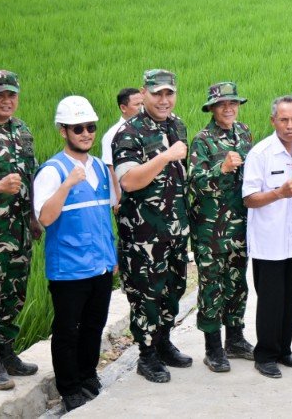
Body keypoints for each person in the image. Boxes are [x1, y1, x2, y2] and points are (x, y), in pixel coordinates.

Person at [33, 96, 117, 411]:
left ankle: (87, 374)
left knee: (95, 325)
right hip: (69, 269)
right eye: (78, 128)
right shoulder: (53, 171)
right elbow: (45, 218)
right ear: (63, 131)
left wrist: (113, 256)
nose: (86, 133)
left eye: (90, 127)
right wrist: (67, 184)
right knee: (68, 331)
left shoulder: (97, 167)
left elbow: (103, 216)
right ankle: (69, 387)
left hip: (101, 265)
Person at [113, 69, 192, 383]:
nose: (163, 99)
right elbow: (130, 181)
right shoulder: (129, 133)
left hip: (175, 229)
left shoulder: (177, 124)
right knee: (147, 295)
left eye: (169, 93)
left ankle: (163, 342)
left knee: (174, 289)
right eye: (157, 93)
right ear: (144, 93)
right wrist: (166, 156)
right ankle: (146, 356)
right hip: (143, 233)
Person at [0, 70, 40, 391]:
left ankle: (6, 351)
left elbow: (30, 179)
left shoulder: (22, 130)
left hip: (19, 231)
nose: (6, 100)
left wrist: (33, 218)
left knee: (14, 294)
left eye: (11, 94)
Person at [241, 96, 292, 379]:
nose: (290, 125)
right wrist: (277, 193)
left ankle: (284, 349)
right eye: (284, 120)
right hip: (268, 241)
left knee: (289, 298)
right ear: (273, 121)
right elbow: (249, 198)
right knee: (270, 300)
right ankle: (265, 355)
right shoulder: (261, 154)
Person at [188, 82, 254, 373]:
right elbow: (194, 183)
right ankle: (213, 347)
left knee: (237, 285)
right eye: (222, 104)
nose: (229, 108)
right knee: (212, 287)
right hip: (211, 229)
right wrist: (221, 169)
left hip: (241, 226)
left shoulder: (245, 132)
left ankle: (235, 338)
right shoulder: (202, 140)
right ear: (212, 108)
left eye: (233, 103)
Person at [101, 88, 143, 213]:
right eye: (137, 105)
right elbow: (110, 167)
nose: (142, 108)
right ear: (123, 108)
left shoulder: (145, 129)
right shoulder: (113, 134)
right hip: (127, 197)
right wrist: (119, 199)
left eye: (143, 104)